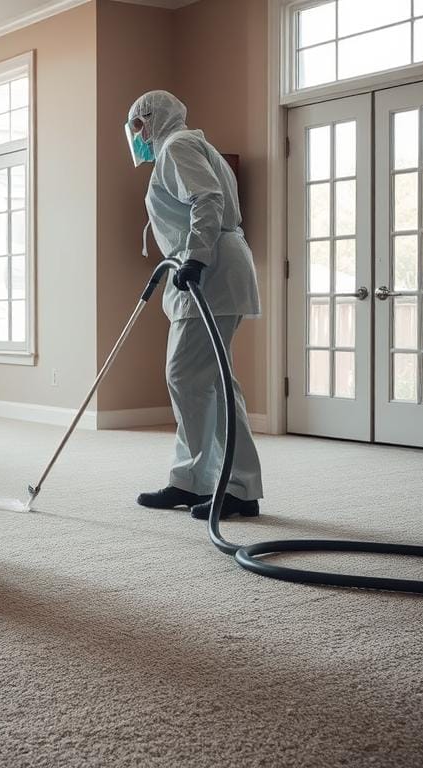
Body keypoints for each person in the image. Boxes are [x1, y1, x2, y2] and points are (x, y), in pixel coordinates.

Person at [126, 90, 264, 520]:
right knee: (202, 379)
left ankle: (236, 486)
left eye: (137, 126)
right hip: (210, 267)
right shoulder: (186, 145)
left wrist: (196, 258)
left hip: (212, 269)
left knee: (192, 376)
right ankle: (192, 480)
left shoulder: (177, 146)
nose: (136, 136)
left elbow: (207, 200)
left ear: (151, 118)